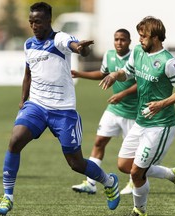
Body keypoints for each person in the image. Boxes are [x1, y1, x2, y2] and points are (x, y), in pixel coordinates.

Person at [0, 2, 120, 215]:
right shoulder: (28, 44)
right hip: (36, 106)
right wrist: (23, 100)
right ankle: (7, 197)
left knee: (76, 163)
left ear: (48, 21)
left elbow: (75, 46)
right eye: (31, 21)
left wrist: (82, 48)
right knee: (15, 141)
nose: (34, 25)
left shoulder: (59, 39)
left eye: (38, 21)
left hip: (63, 111)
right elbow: (28, 74)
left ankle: (109, 182)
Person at [99, 16, 175, 216]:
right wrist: (117, 74)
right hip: (141, 121)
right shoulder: (137, 52)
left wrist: (162, 103)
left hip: (161, 124)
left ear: (156, 37)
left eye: (144, 36)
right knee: (124, 165)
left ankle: (139, 210)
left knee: (136, 172)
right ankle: (172, 174)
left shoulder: (168, 62)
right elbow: (128, 72)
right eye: (139, 36)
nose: (140, 40)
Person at [71, 29, 137, 195]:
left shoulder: (136, 57)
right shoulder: (109, 55)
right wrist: (79, 73)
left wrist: (122, 94)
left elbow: (142, 84)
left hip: (133, 112)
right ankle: (91, 182)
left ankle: (133, 183)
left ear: (129, 41)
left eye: (123, 40)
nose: (119, 43)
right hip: (114, 109)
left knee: (131, 153)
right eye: (116, 39)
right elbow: (103, 74)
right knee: (99, 141)